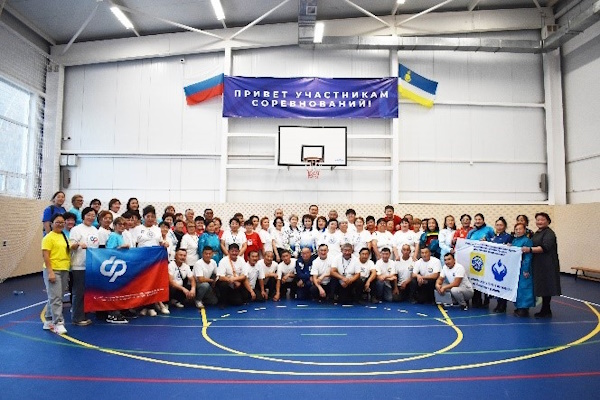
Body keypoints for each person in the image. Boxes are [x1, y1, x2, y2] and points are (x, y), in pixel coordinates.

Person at [522, 212, 561, 318]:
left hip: (547, 264)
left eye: (542, 220)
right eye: (538, 220)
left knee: (547, 286)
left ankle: (546, 310)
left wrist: (529, 249)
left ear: (548, 221)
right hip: (539, 263)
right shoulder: (537, 233)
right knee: (542, 286)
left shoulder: (549, 233)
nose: (539, 222)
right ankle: (545, 309)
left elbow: (545, 247)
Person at [136, 205, 169, 316]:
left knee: (152, 283)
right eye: (148, 216)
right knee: (143, 283)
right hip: (141, 260)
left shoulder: (157, 229)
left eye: (152, 216)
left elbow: (160, 242)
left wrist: (164, 243)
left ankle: (151, 307)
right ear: (143, 217)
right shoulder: (137, 229)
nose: (150, 218)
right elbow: (134, 244)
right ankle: (144, 306)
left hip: (154, 261)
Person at [68, 207, 99, 326]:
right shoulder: (76, 229)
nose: (91, 217)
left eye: (93, 215)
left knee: (87, 292)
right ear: (83, 216)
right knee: (78, 292)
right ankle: (77, 317)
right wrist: (78, 244)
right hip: (79, 265)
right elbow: (71, 245)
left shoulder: (95, 230)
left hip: (91, 265)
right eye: (88, 215)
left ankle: (84, 314)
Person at [42, 214, 71, 334]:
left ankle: (48, 320)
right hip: (54, 270)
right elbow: (46, 256)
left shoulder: (64, 236)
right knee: (56, 298)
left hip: (64, 269)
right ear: (51, 223)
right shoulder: (48, 237)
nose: (60, 224)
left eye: (62, 222)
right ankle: (58, 323)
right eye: (57, 222)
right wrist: (50, 272)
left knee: (57, 296)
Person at [467, 213, 495, 308]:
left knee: (484, 279)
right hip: (474, 258)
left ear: (483, 220)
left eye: (479, 219)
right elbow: (466, 243)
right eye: (476, 219)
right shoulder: (471, 231)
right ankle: (476, 299)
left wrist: (487, 240)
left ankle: (486, 299)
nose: (478, 221)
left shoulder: (489, 229)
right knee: (475, 279)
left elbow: (494, 241)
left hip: (486, 258)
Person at [490, 216, 513, 313]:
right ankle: (498, 303)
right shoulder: (493, 237)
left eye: (501, 225)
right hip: (494, 263)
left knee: (502, 284)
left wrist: (510, 246)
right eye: (497, 225)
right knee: (496, 285)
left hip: (504, 264)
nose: (499, 227)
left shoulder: (508, 237)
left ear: (505, 226)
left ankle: (503, 304)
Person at [512, 223, 535, 317]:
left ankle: (524, 309)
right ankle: (519, 307)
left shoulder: (527, 241)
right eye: (516, 229)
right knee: (517, 289)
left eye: (520, 229)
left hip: (523, 268)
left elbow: (528, 257)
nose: (518, 231)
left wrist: (526, 269)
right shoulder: (514, 240)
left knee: (524, 288)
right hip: (516, 268)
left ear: (525, 230)